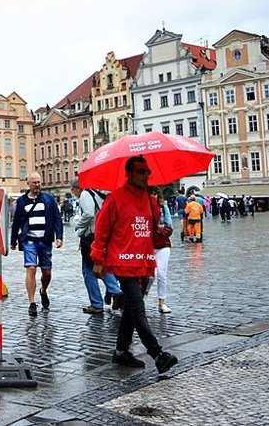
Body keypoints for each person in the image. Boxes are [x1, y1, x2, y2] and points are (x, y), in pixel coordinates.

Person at [91, 155, 178, 375]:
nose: (146, 175)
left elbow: (152, 236)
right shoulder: (116, 199)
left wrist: (163, 234)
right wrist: (98, 259)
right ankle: (158, 354)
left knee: (130, 309)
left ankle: (121, 352)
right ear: (129, 174)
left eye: (148, 171)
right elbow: (101, 232)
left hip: (144, 262)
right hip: (123, 263)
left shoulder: (150, 201)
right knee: (138, 308)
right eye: (141, 171)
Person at [10, 173, 63, 316]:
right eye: (34, 183)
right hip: (29, 240)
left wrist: (59, 237)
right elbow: (17, 222)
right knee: (31, 268)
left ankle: (43, 290)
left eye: (39, 182)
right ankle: (32, 302)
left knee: (47, 272)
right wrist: (13, 240)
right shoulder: (22, 201)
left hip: (45, 240)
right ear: (28, 184)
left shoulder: (49, 199)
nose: (37, 185)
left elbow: (57, 219)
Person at [73, 178, 121, 314]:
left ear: (77, 188)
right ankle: (115, 292)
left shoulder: (85, 194)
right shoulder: (99, 193)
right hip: (102, 234)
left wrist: (78, 225)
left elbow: (88, 214)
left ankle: (100, 301)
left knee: (88, 271)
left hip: (91, 237)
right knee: (101, 265)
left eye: (72, 190)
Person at [152, 189, 174, 314]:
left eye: (155, 193)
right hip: (148, 244)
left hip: (163, 244)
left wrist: (158, 228)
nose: (153, 195)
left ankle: (162, 302)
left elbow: (169, 224)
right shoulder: (144, 208)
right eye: (151, 193)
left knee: (161, 274)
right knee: (149, 276)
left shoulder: (163, 208)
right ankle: (141, 300)